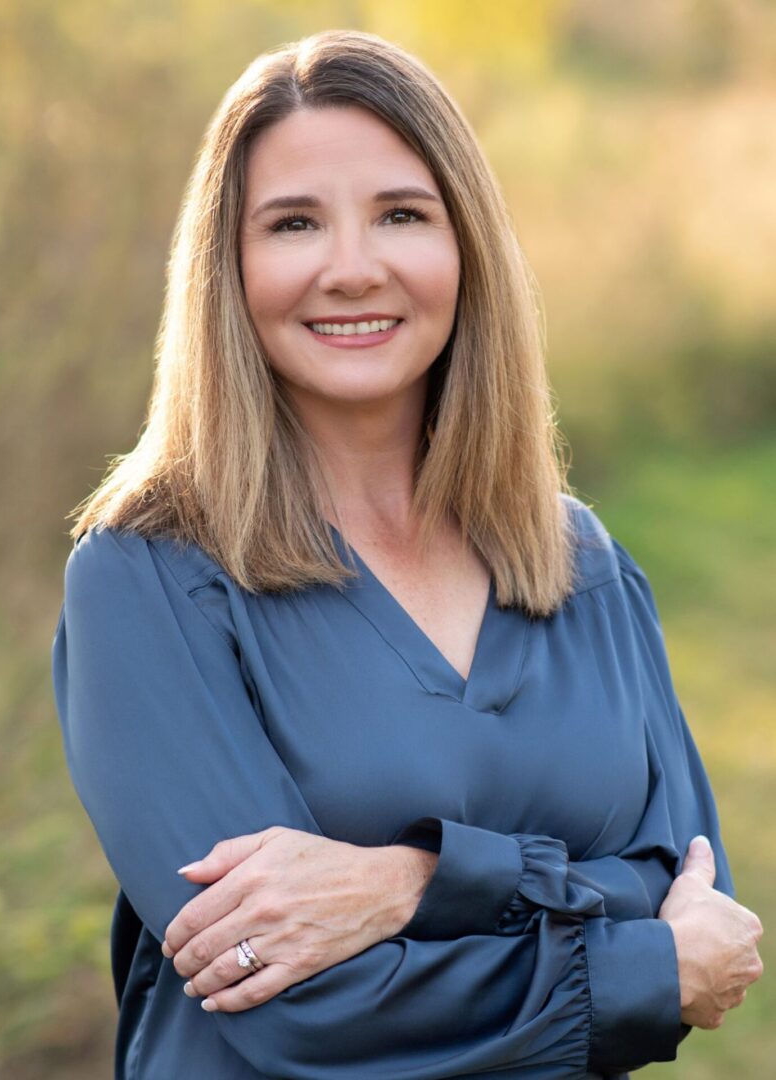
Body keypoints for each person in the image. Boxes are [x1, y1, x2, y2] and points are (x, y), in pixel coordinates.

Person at [50, 28, 763, 1080]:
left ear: (465, 245)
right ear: (227, 271)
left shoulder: (577, 561)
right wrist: (627, 967)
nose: (351, 268)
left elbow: (688, 895)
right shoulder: (147, 577)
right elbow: (294, 1003)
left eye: (400, 214)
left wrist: (401, 884)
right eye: (293, 224)